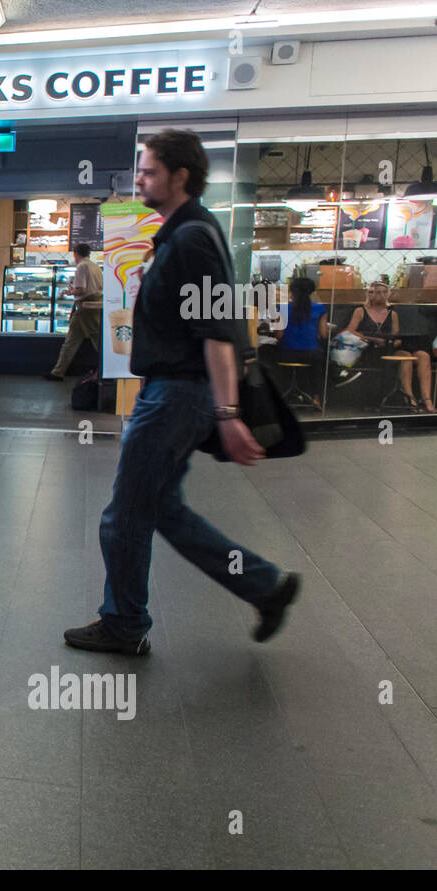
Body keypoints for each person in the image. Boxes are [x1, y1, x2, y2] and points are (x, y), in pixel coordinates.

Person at [64, 129, 300, 655]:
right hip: (170, 392)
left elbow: (218, 330)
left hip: (177, 395)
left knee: (123, 515)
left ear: (180, 176)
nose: (140, 178)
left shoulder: (193, 238)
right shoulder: (180, 234)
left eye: (149, 170)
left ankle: (124, 624)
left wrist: (227, 413)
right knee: (163, 509)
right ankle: (266, 586)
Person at [345, 281, 433, 412]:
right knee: (406, 359)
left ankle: (427, 399)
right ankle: (410, 399)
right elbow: (350, 330)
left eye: (383, 292)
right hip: (370, 350)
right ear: (370, 294)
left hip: (389, 348)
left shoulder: (392, 314)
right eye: (376, 292)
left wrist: (394, 342)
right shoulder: (360, 311)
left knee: (422, 356)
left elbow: (395, 336)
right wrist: (371, 338)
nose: (380, 295)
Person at [47, 242, 104, 381]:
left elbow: (82, 289)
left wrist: (70, 291)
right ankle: (57, 372)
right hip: (95, 305)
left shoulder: (81, 266)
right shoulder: (95, 266)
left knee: (83, 341)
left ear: (76, 254)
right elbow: (100, 286)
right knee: (78, 340)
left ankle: (58, 372)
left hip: (85, 308)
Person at [274, 276, 329, 409]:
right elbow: (323, 334)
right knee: (320, 361)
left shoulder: (282, 308)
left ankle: (280, 397)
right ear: (311, 292)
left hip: (287, 354)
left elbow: (279, 335)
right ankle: (317, 398)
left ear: (291, 292)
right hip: (311, 355)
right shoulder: (320, 309)